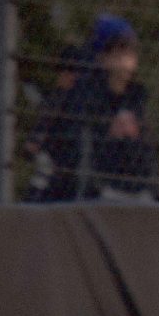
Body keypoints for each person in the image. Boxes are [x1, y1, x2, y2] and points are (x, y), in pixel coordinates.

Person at [41, 14, 156, 200]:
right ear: (102, 57)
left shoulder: (136, 97)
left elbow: (145, 150)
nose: (125, 61)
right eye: (118, 53)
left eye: (130, 52)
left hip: (135, 190)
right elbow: (77, 149)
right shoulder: (85, 96)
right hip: (97, 190)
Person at [23, 42, 94, 202]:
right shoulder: (70, 99)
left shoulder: (65, 99)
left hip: (61, 172)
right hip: (65, 171)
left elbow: (38, 136)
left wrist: (34, 145)